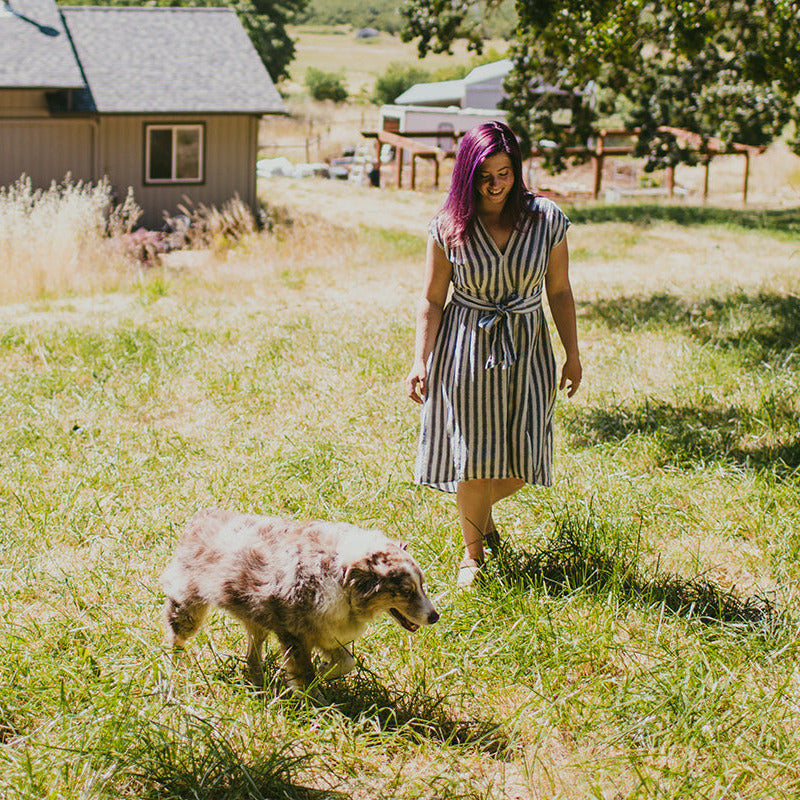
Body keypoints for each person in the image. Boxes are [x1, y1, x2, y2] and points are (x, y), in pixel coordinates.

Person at [405, 120, 582, 589]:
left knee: (525, 456)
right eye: (485, 174)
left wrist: (573, 354)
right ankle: (473, 557)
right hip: (464, 348)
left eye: (505, 172)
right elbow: (431, 299)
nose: (496, 184)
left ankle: (477, 514)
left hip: (528, 345)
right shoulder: (449, 226)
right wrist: (420, 359)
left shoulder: (546, 219)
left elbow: (560, 290)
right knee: (472, 456)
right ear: (467, 173)